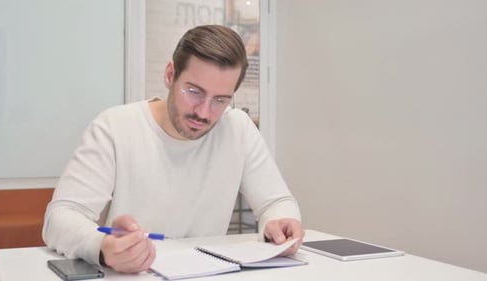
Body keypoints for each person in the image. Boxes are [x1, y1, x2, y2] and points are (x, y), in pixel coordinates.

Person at [42, 25, 304, 273]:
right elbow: (61, 218)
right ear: (170, 75)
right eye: (194, 91)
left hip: (208, 273)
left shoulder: (238, 128)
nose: (203, 112)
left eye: (220, 100)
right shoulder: (115, 127)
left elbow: (276, 202)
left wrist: (280, 221)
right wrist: (102, 248)